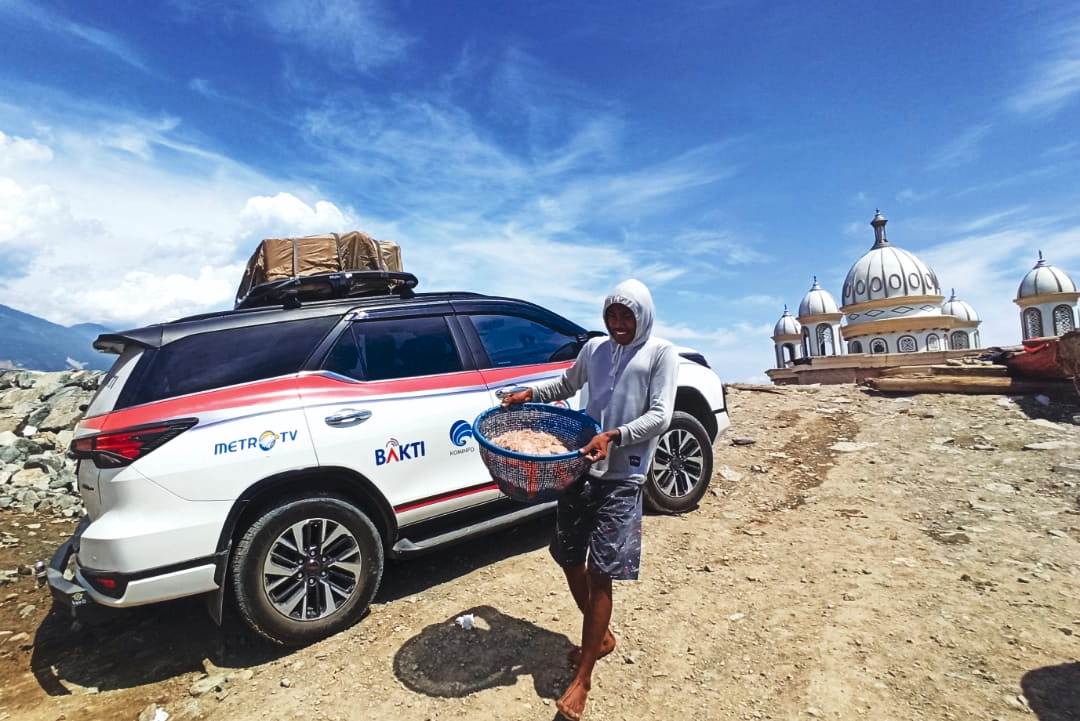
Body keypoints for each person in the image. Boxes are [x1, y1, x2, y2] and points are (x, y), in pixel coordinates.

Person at [501, 278, 678, 720]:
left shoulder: (660, 354)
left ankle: (583, 677)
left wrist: (614, 436)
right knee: (566, 555)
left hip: (624, 475)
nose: (618, 324)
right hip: (581, 466)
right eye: (612, 315)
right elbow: (566, 384)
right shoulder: (595, 350)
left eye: (627, 316)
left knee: (602, 572)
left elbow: (660, 415)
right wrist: (529, 392)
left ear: (643, 317)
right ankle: (600, 637)